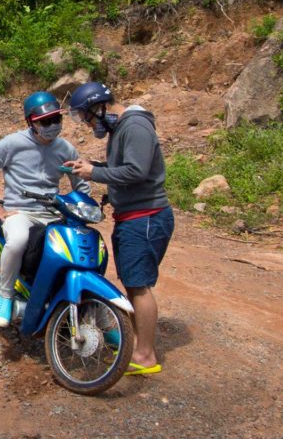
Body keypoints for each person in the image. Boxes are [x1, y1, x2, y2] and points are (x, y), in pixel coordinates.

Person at [64, 82, 174, 376]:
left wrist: (95, 173)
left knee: (138, 286)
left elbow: (136, 171)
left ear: (99, 108)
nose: (88, 124)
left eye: (86, 117)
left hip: (145, 217)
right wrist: (91, 165)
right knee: (133, 281)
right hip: (134, 216)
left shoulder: (135, 126)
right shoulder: (120, 130)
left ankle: (145, 355)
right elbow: (124, 167)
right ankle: (138, 344)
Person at [0, 92, 89, 327]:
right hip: (20, 211)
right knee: (17, 241)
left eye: (57, 120)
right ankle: (5, 295)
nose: (53, 126)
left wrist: (83, 206)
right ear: (31, 122)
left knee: (76, 249)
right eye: (46, 121)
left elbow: (81, 183)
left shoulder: (65, 149)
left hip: (53, 213)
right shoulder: (13, 143)